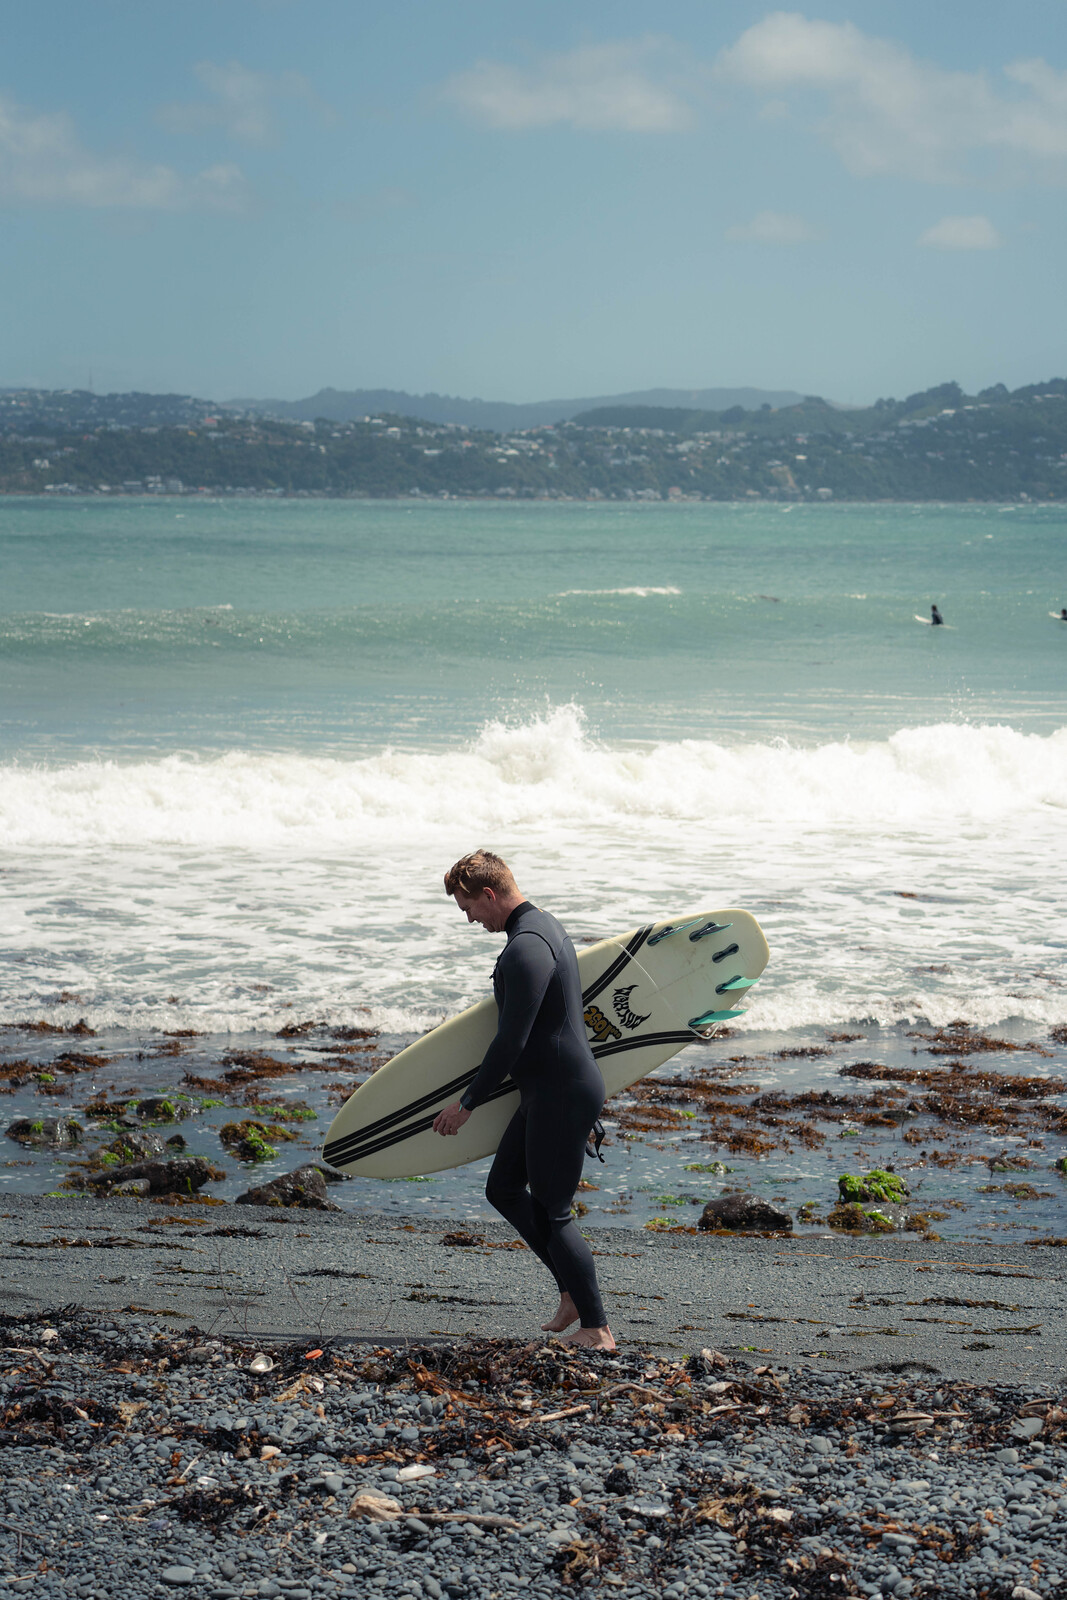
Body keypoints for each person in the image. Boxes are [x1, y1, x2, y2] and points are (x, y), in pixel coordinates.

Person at [432, 850, 615, 1351]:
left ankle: (597, 1329)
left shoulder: (526, 949)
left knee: (555, 1210)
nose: (470, 919)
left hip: (561, 1091)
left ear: (488, 894)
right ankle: (571, 1293)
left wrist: (467, 1103)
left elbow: (510, 1041)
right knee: (505, 1188)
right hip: (547, 1088)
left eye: (469, 908)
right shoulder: (543, 927)